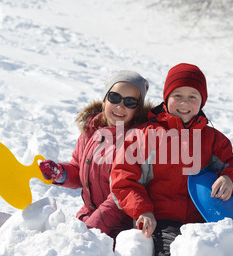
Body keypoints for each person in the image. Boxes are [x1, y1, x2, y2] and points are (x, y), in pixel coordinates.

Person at [110, 63, 233, 256]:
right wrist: (143, 210)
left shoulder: (211, 139)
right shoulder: (144, 136)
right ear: (166, 98)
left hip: (205, 221)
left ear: (202, 102)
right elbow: (123, 179)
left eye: (192, 97)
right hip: (162, 221)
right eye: (177, 96)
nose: (184, 103)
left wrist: (231, 178)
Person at [39, 70, 151, 240]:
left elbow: (120, 197)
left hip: (123, 227)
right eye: (114, 98)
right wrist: (61, 173)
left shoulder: (137, 140)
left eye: (130, 102)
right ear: (105, 100)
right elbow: (79, 169)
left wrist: (91, 229)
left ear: (138, 109)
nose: (120, 106)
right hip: (90, 216)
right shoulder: (91, 131)